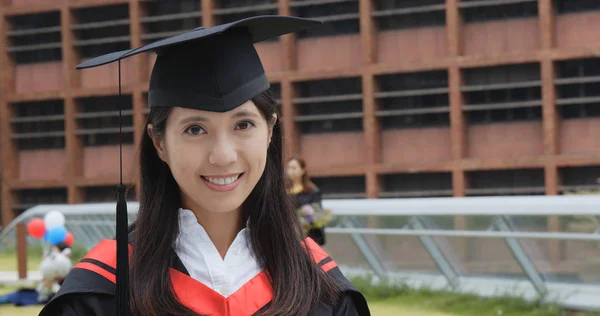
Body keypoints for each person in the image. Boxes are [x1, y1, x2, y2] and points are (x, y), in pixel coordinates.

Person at [38, 15, 370, 316]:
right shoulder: (100, 294)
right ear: (159, 143)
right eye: (195, 129)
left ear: (270, 131)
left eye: (243, 124)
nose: (223, 155)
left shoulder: (322, 290)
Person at [287, 157, 328, 246]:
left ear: (302, 170)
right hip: (288, 238)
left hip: (307, 238)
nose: (290, 171)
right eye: (288, 168)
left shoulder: (312, 191)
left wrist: (306, 221)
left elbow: (319, 215)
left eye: (294, 168)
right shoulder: (283, 191)